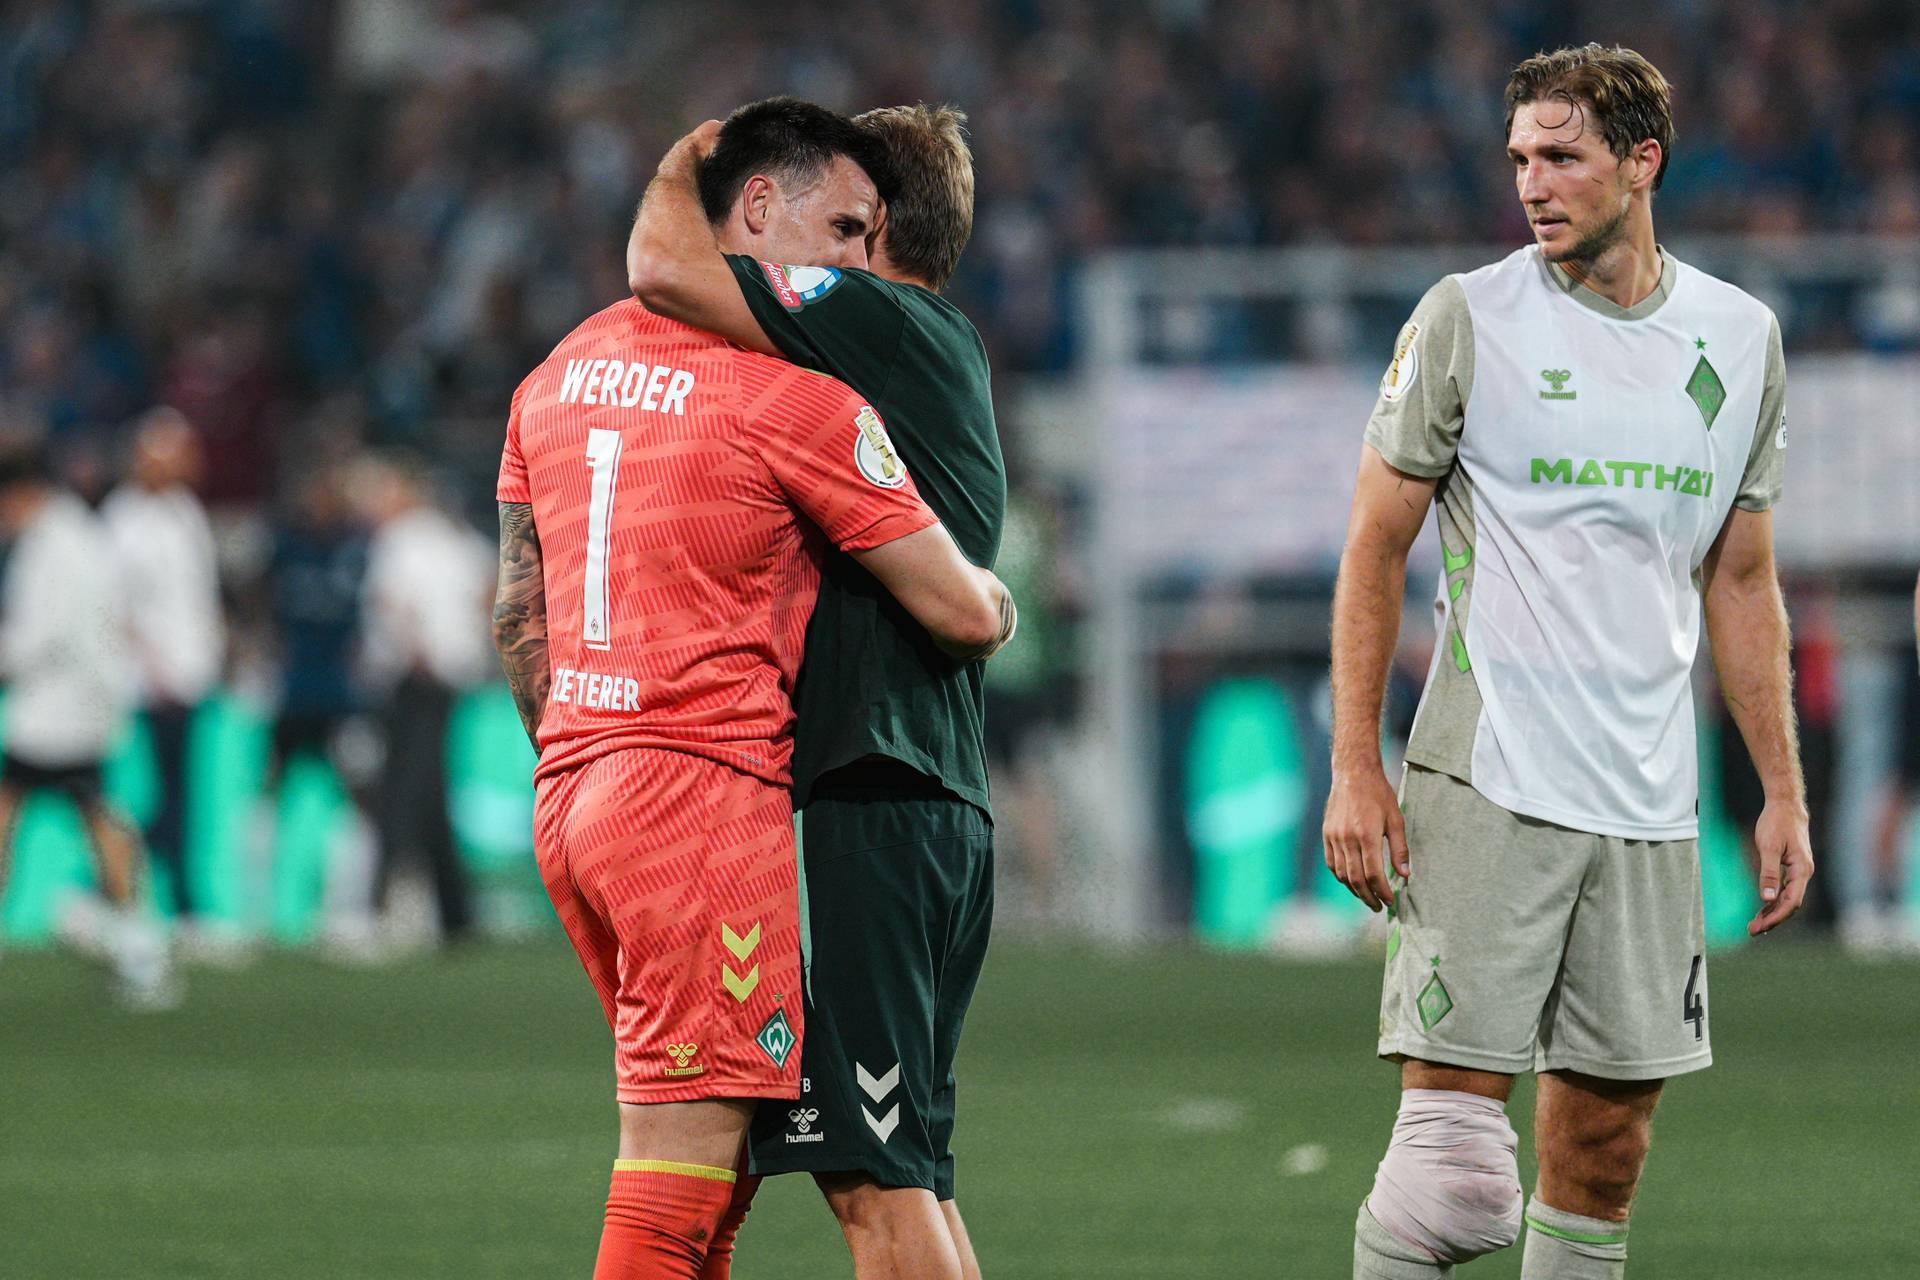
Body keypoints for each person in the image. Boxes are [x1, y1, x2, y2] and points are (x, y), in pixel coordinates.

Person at [493, 97, 1014, 1280]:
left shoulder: (556, 374)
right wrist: (1004, 600)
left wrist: (588, 754)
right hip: (725, 800)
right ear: (759, 208)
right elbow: (959, 606)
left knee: (740, 1168)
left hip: (575, 786)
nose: (853, 262)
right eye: (838, 228)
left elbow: (518, 606)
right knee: (724, 1174)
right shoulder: (793, 396)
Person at [1321, 45, 1813, 1280]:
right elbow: (1375, 547)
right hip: (1489, 777)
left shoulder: (1740, 341)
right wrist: (1355, 767)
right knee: (1450, 1171)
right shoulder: (1467, 318)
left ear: (1642, 163)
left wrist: (1783, 791)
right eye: (1522, 159)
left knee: (1602, 1154)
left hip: (1649, 803)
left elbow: (1743, 580)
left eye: (1562, 156)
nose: (1533, 184)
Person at [0, 434, 177, 1008]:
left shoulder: (54, 545)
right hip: (79, 707)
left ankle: (139, 946)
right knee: (94, 820)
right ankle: (138, 944)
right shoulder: (77, 535)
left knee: (53, 818)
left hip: (58, 712)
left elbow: (37, 634)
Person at [101, 407, 227, 950]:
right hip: (150, 684)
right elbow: (116, 609)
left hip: (190, 678)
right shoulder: (121, 520)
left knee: (180, 796)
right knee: (163, 797)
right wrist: (157, 671)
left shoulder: (184, 512)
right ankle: (159, 900)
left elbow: (198, 597)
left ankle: (163, 901)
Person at [357, 452, 493, 947]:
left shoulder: (400, 540)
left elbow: (394, 604)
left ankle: (381, 905)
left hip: (414, 680)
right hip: (450, 678)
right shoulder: (453, 539)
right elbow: (491, 586)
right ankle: (456, 913)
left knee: (402, 793)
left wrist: (418, 652)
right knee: (431, 795)